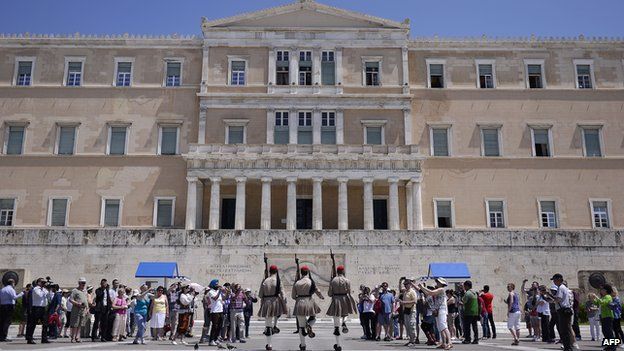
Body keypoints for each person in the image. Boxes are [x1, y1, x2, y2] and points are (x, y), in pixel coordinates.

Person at [292, 265, 324, 351]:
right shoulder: (311, 281)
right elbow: (317, 290)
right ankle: (309, 325)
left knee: (301, 327)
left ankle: (303, 345)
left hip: (299, 302)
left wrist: (299, 298)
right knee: (313, 317)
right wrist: (321, 297)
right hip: (309, 301)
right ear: (308, 272)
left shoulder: (297, 282)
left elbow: (293, 296)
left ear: (301, 273)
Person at [326, 265, 357, 351]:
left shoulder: (333, 280)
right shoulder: (347, 280)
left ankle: (338, 345)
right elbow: (349, 292)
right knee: (345, 313)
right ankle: (344, 322)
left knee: (336, 325)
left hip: (336, 300)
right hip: (345, 299)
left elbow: (329, 293)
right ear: (343, 272)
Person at [259, 265, 287, 351]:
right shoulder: (278, 281)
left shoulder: (265, 281)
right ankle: (275, 325)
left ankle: (269, 345)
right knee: (277, 314)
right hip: (275, 301)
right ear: (276, 271)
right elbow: (283, 294)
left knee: (267, 325)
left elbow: (260, 295)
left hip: (267, 302)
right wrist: (284, 301)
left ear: (269, 271)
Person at [419, 278, 452, 350]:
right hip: (437, 310)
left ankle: (449, 342)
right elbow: (428, 293)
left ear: (441, 283)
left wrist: (422, 287)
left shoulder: (441, 289)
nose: (437, 282)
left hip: (442, 309)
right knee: (440, 328)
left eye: (438, 282)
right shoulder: (439, 289)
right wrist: (421, 287)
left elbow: (430, 292)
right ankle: (443, 343)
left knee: (444, 326)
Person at [550, 273, 574, 351]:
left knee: (564, 330)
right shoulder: (563, 288)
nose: (553, 281)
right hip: (565, 310)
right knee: (566, 329)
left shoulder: (561, 288)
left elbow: (558, 299)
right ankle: (568, 346)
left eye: (554, 280)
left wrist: (549, 295)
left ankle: (568, 347)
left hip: (563, 310)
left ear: (559, 280)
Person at [25, 277, 50, 344]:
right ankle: (29, 339)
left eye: (44, 282)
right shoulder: (35, 289)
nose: (43, 283)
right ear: (38, 282)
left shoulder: (44, 289)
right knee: (33, 324)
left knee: (45, 324)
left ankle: (44, 339)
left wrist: (48, 289)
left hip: (43, 308)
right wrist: (44, 290)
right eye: (42, 282)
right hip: (36, 308)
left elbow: (48, 297)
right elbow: (40, 295)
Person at [596, 284, 616, 351]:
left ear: (606, 290)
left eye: (602, 289)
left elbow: (603, 303)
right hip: (603, 316)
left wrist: (596, 297)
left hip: (608, 316)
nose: (601, 291)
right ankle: (609, 346)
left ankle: (613, 347)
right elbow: (598, 303)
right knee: (605, 331)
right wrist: (594, 299)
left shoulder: (608, 296)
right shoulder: (603, 297)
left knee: (609, 332)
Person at [399, 278, 419, 346]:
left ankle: (413, 341)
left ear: (410, 284)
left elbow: (415, 301)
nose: (405, 285)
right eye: (405, 284)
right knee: (407, 326)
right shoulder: (405, 292)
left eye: (407, 284)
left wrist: (404, 302)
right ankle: (410, 340)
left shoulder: (412, 292)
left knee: (412, 325)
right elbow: (400, 290)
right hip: (406, 310)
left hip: (411, 310)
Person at [68, 278, 89, 343]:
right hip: (76, 308)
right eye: (82, 283)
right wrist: (77, 303)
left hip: (83, 309)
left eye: (84, 283)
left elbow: (86, 300)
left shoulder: (85, 291)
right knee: (75, 324)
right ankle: (73, 337)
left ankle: (78, 337)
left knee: (80, 324)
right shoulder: (75, 290)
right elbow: (70, 299)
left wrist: (87, 308)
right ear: (79, 283)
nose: (83, 284)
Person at [461, 280, 479, 344]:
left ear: (467, 286)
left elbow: (463, 301)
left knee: (467, 326)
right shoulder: (475, 292)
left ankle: (467, 339)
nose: (464, 287)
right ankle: (476, 339)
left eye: (464, 286)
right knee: (475, 326)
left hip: (468, 312)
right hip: (475, 312)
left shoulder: (467, 293)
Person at [208, 279, 225, 347]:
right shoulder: (211, 292)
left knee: (220, 326)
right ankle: (211, 340)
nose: (218, 285)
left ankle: (216, 339)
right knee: (215, 326)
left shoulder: (218, 291)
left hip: (220, 310)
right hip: (214, 311)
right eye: (216, 284)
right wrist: (220, 291)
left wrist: (227, 293)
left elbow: (224, 298)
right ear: (213, 285)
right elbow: (215, 298)